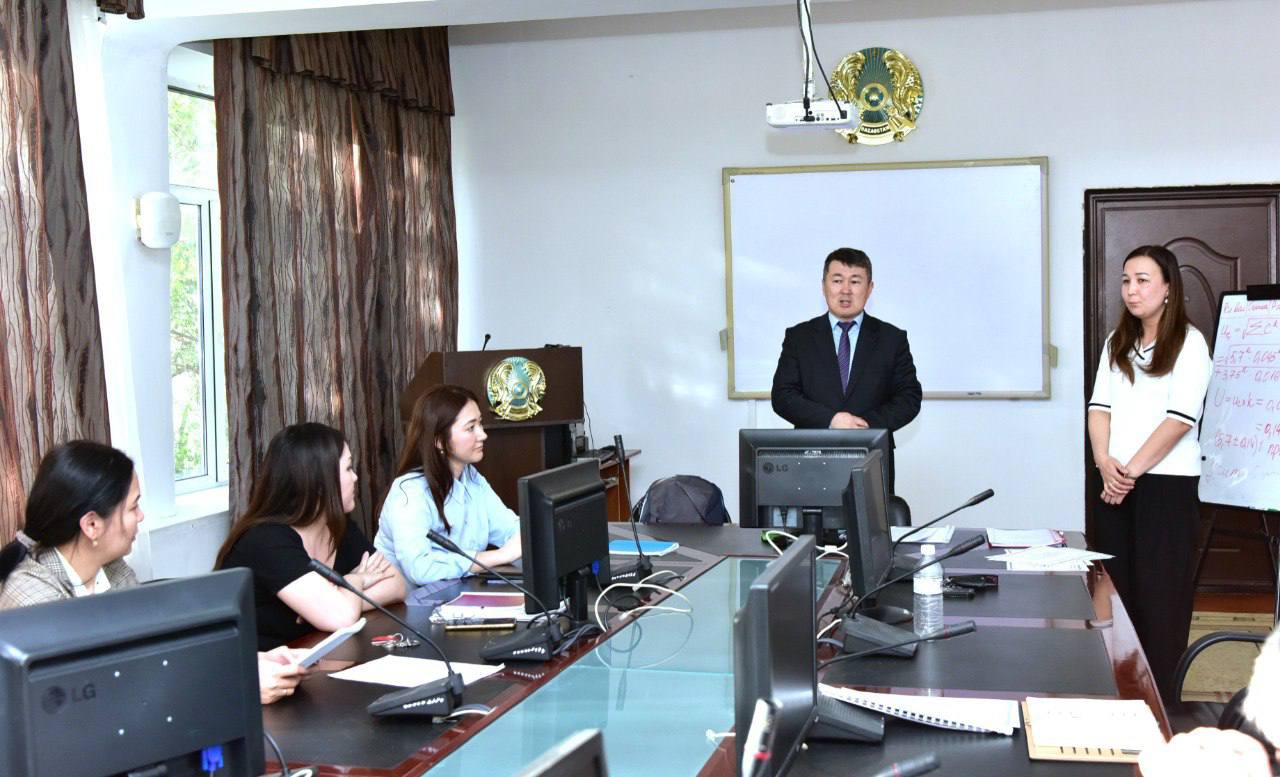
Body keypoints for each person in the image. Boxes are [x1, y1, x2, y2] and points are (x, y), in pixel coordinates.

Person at [1, 440, 304, 703]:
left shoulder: (113, 571)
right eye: (133, 507)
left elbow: (158, 652)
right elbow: (102, 690)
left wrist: (247, 661)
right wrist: (239, 682)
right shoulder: (31, 598)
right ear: (92, 524)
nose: (141, 516)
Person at [1087, 244, 1212, 702]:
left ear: (1168, 288)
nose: (1131, 290)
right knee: (1113, 587)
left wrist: (1129, 473)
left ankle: (1159, 701)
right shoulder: (1117, 342)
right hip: (1115, 482)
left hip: (1165, 487)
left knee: (1161, 596)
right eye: (1126, 280)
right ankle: (1112, 687)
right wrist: (1104, 462)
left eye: (1142, 280)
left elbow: (1179, 420)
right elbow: (1099, 408)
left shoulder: (1189, 343)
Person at [216, 423, 406, 650]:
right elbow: (340, 617)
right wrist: (355, 581)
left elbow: (396, 584)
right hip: (255, 667)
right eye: (348, 468)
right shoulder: (267, 541)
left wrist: (338, 600)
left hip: (311, 656)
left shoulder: (338, 527)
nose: (356, 477)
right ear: (319, 481)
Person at [770, 247, 922, 491]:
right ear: (824, 286)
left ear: (869, 288)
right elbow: (783, 395)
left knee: (870, 516)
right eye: (837, 280)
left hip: (872, 458)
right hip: (810, 460)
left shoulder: (892, 339)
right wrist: (831, 420)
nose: (846, 290)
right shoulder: (799, 337)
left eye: (855, 281)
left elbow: (909, 398)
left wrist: (864, 426)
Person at [375, 384, 521, 585]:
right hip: (409, 600)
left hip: (459, 591)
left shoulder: (471, 477)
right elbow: (420, 569)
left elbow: (511, 530)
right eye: (470, 428)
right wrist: (499, 556)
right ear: (439, 441)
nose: (483, 435)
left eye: (480, 423)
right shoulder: (410, 492)